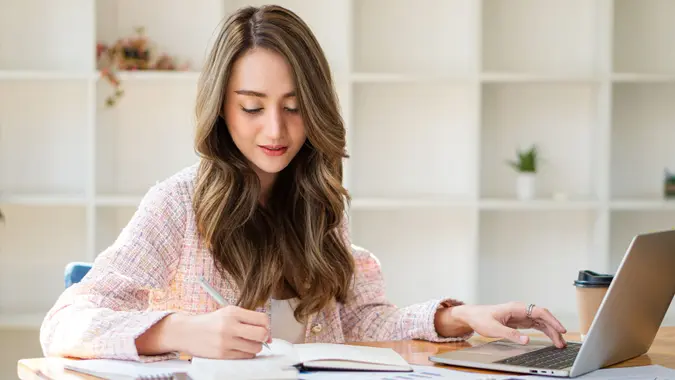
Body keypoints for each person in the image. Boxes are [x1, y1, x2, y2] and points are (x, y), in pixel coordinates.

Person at [40, 4, 567, 362]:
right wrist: (181, 331)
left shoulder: (316, 200)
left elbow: (362, 323)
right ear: (222, 108)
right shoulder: (178, 204)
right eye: (252, 107)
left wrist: (462, 317)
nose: (276, 130)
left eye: (294, 108)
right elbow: (64, 323)